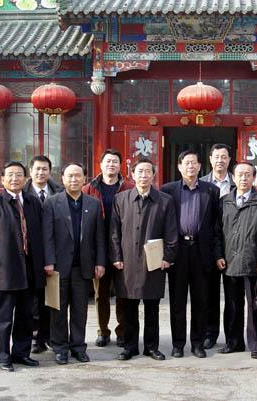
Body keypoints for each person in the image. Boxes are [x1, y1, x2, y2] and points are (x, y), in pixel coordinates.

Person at [110, 158, 178, 361]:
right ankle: (130, 346)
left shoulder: (165, 200)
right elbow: (114, 232)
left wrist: (168, 257)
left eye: (148, 171)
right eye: (139, 171)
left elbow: (171, 231)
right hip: (128, 261)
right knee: (129, 306)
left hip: (154, 261)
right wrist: (116, 257)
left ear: (153, 175)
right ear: (132, 174)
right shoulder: (120, 199)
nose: (144, 175)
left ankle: (151, 347)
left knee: (152, 307)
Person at [0, 161, 45, 371]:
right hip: (5, 270)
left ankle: (21, 353)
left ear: (26, 179)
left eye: (19, 174)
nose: (15, 178)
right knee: (4, 317)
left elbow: (41, 236)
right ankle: (2, 356)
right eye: (10, 175)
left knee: (26, 316)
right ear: (2, 179)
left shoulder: (33, 202)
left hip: (30, 270)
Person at [42, 162, 106, 365]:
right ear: (62, 178)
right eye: (70, 176)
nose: (74, 179)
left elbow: (99, 237)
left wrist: (100, 262)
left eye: (78, 175)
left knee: (80, 309)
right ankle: (60, 347)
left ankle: (78, 346)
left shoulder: (93, 204)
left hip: (83, 266)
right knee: (58, 310)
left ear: (84, 178)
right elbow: (47, 235)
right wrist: (49, 261)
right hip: (58, 267)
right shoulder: (52, 203)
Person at [161, 150, 221, 359]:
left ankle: (197, 343)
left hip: (201, 251)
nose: (190, 166)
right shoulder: (168, 190)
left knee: (201, 301)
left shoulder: (211, 191)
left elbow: (216, 225)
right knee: (177, 301)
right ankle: (178, 344)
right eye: (186, 163)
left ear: (200, 166)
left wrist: (215, 253)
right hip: (177, 251)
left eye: (194, 163)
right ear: (179, 166)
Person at [215, 161, 257, 359]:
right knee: (232, 305)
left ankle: (256, 344)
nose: (244, 178)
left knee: (255, 305)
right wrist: (218, 255)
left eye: (248, 174)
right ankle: (234, 342)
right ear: (233, 177)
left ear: (254, 177)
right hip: (229, 261)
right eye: (240, 174)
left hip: (253, 262)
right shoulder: (225, 201)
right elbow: (217, 232)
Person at [82, 149, 131, 348]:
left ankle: (122, 331)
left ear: (120, 165)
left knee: (122, 293)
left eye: (115, 161)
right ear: (101, 165)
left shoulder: (128, 188)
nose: (111, 165)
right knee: (100, 294)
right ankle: (103, 331)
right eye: (108, 161)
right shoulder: (89, 188)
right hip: (98, 248)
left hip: (123, 248)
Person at [24, 155, 63, 354]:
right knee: (33, 300)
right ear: (30, 171)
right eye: (37, 169)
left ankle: (48, 336)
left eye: (44, 169)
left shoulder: (58, 192)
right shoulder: (22, 193)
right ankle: (34, 338)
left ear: (50, 171)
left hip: (55, 253)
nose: (41, 173)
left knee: (52, 298)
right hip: (30, 255)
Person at [201, 143, 236, 350]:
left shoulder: (238, 182)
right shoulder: (202, 183)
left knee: (233, 296)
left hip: (233, 245)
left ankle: (232, 336)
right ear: (210, 159)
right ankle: (210, 333)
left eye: (224, 156)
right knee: (210, 294)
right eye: (216, 156)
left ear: (229, 159)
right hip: (209, 246)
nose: (220, 160)